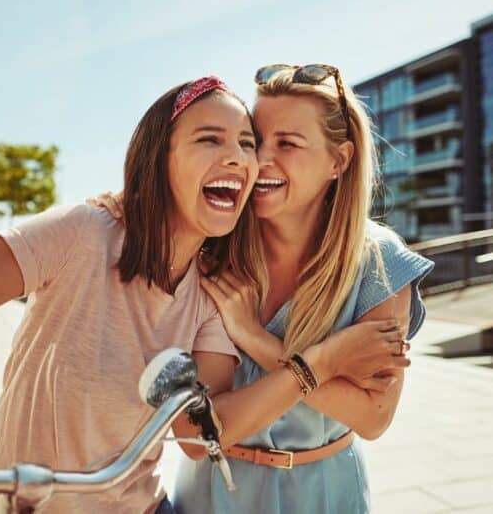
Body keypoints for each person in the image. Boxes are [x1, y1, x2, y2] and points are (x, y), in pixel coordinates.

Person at [0, 76, 410, 514]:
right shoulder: (81, 233)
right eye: (210, 139)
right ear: (159, 158)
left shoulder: (220, 288)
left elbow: (200, 437)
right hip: (9, 502)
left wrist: (300, 359)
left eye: (246, 144)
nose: (240, 156)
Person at [90, 64, 433, 514]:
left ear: (339, 161)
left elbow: (373, 418)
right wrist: (328, 365)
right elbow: (199, 430)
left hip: (328, 495)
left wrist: (257, 339)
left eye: (287, 144)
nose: (259, 161)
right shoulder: (213, 250)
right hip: (213, 493)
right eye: (256, 140)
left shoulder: (381, 264)